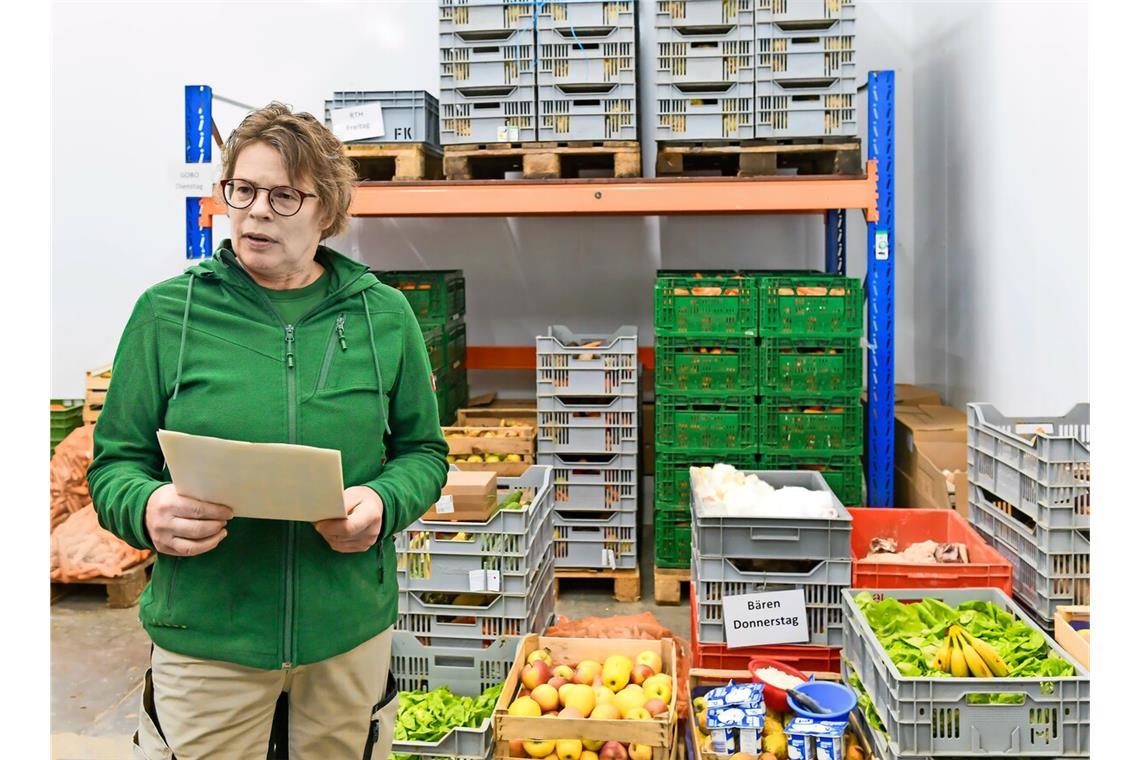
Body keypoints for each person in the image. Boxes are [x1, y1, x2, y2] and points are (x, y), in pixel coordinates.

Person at [87, 102, 449, 759]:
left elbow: (424, 453)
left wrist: (381, 501)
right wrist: (148, 507)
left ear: (327, 210)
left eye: (284, 196)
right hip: (208, 637)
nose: (255, 211)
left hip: (345, 635)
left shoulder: (382, 317)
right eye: (243, 190)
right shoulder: (168, 314)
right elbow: (113, 466)